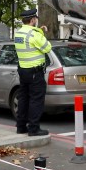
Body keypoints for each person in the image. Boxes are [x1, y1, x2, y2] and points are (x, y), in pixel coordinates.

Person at [13, 8, 52, 136]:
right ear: (32, 20)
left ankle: (21, 126)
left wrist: (38, 30)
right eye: (35, 19)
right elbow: (47, 48)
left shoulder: (18, 33)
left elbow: (30, 42)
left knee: (23, 98)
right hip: (35, 72)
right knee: (36, 100)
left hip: (23, 71)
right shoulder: (34, 34)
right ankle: (34, 128)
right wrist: (41, 32)